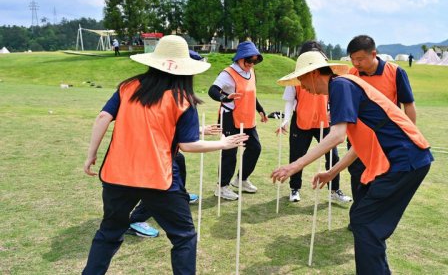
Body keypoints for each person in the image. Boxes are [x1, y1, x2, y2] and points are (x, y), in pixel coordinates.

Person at [82, 35, 248, 274]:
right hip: (157, 179)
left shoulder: (128, 87)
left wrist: (91, 155)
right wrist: (223, 144)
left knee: (108, 233)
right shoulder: (183, 99)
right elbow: (188, 145)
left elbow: (103, 118)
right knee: (184, 237)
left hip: (116, 176)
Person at [271, 50, 433, 275]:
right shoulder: (344, 86)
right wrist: (332, 172)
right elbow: (360, 143)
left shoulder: (340, 86)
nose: (301, 85)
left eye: (302, 78)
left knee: (365, 222)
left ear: (316, 74)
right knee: (367, 223)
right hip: (406, 162)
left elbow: (336, 136)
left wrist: (294, 166)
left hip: (404, 160)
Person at [276, 40, 351, 203]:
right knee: (297, 155)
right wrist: (285, 120)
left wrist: (333, 113)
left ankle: (334, 190)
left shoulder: (333, 81)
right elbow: (289, 100)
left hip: (324, 121)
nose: (304, 86)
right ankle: (294, 188)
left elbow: (335, 100)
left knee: (333, 156)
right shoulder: (298, 78)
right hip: (302, 121)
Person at [346, 35, 417, 206]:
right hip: (359, 136)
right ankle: (359, 216)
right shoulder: (352, 74)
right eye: (353, 59)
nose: (356, 63)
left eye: (360, 59)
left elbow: (408, 105)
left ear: (373, 54)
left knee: (382, 178)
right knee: (358, 175)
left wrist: (409, 134)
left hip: (386, 137)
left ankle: (374, 216)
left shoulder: (395, 72)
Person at [127, 124, 222, 239]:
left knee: (178, 159)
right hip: (152, 151)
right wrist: (219, 142)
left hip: (163, 148)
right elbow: (176, 135)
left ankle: (181, 195)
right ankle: (136, 220)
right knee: (159, 186)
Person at [208, 41, 268, 200]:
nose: (251, 64)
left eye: (255, 61)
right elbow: (212, 90)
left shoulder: (251, 72)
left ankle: (240, 180)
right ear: (240, 58)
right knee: (230, 152)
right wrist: (225, 98)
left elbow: (251, 94)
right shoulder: (228, 73)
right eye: (249, 61)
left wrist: (260, 109)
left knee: (255, 148)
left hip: (247, 117)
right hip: (230, 117)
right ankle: (221, 187)